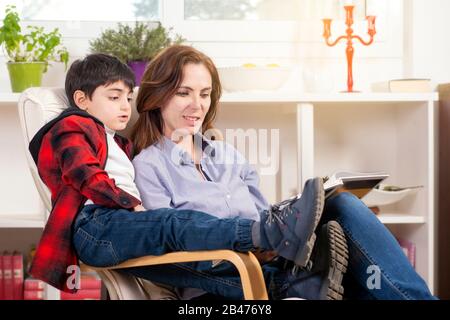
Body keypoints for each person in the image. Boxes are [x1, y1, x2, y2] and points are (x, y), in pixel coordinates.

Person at [27, 53, 346, 300]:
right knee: (170, 223)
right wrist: (130, 205)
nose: (126, 107)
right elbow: (84, 174)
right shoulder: (71, 126)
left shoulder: (116, 142)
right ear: (82, 100)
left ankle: (286, 277)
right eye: (114, 98)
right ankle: (268, 232)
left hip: (114, 224)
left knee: (185, 259)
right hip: (94, 224)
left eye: (128, 97)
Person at [130, 45, 437, 300]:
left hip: (276, 262)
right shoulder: (149, 166)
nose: (196, 105)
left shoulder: (226, 154)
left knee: (342, 205)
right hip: (226, 282)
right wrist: (250, 245)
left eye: (205, 94)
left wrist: (292, 225)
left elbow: (263, 215)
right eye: (184, 92)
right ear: (159, 96)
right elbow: (167, 242)